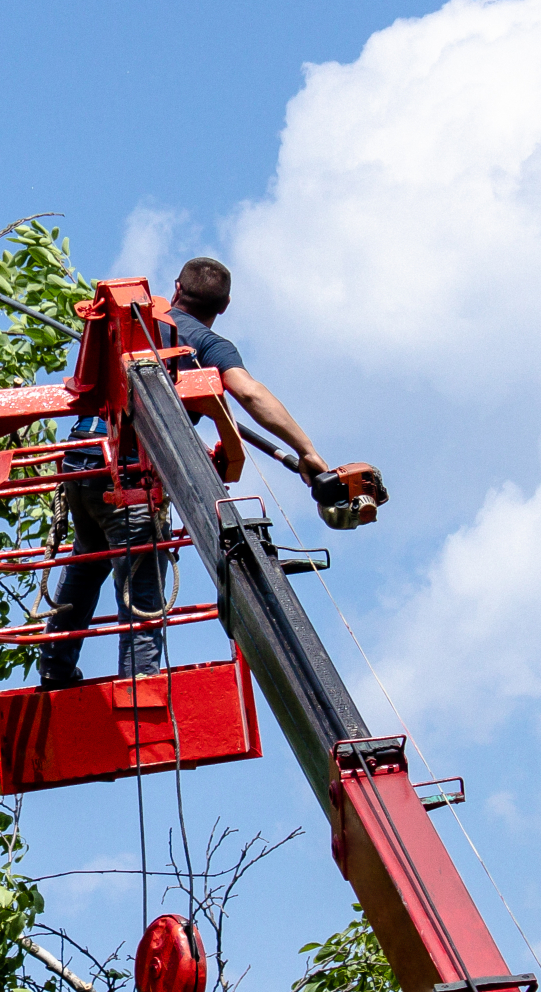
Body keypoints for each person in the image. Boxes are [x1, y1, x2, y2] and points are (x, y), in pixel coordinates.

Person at [38, 255, 328, 691]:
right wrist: (307, 451)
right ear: (224, 305)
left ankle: (55, 671)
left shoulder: (131, 325)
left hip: (80, 464)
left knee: (85, 565)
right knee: (142, 588)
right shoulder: (209, 345)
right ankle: (140, 688)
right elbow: (247, 393)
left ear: (175, 288)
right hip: (128, 478)